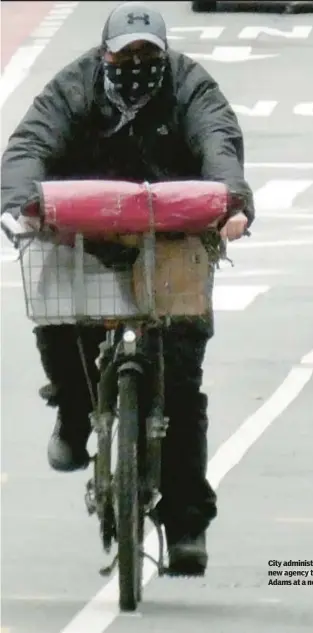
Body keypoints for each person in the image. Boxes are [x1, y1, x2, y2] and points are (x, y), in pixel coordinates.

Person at [0, 1, 255, 576]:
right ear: (105, 54)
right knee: (59, 323)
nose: (137, 64)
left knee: (182, 384)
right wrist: (17, 204)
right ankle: (72, 413)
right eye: (126, 54)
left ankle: (186, 525)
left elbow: (220, 143)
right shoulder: (72, 88)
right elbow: (28, 146)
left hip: (171, 237)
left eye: (149, 55)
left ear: (164, 58)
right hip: (83, 233)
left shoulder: (191, 86)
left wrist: (233, 206)